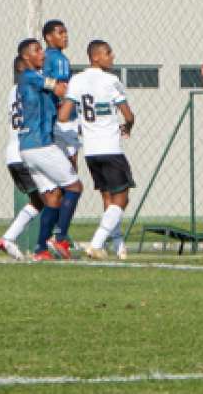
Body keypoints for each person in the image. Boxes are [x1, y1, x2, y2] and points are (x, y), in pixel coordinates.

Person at [68, 40, 135, 260]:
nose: (112, 56)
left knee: (108, 197)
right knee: (122, 198)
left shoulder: (76, 79)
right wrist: (128, 127)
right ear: (95, 57)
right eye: (108, 53)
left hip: (91, 151)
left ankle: (118, 246)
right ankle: (96, 243)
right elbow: (129, 114)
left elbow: (67, 111)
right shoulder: (111, 80)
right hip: (110, 148)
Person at [15, 37, 78, 261]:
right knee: (75, 186)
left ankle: (40, 249)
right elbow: (60, 88)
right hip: (40, 144)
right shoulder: (30, 76)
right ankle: (60, 238)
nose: (42, 54)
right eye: (37, 50)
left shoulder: (36, 79)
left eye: (42, 49)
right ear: (26, 57)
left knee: (52, 199)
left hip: (28, 148)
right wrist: (74, 87)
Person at [41, 19, 85, 252]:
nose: (65, 36)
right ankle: (59, 235)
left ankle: (55, 235)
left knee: (62, 182)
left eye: (66, 32)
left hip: (58, 123)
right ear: (49, 37)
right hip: (62, 123)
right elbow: (59, 89)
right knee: (69, 181)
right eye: (60, 33)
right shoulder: (56, 59)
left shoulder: (53, 58)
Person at [0, 56, 43, 262]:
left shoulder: (12, 91)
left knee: (39, 201)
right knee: (58, 194)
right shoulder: (30, 89)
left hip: (14, 154)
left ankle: (8, 238)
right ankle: (47, 244)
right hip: (28, 153)